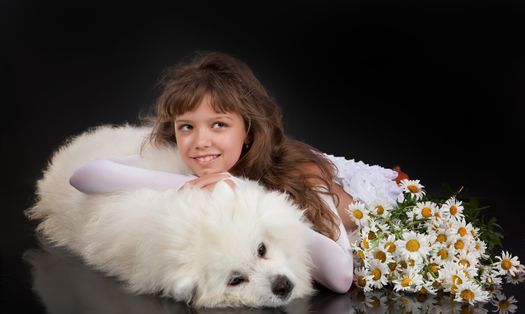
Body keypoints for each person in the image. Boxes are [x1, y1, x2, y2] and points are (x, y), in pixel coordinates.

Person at [69, 52, 402, 294]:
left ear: (248, 130)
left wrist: (242, 190)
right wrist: (188, 184)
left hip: (364, 201)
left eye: (219, 125)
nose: (200, 142)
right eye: (187, 127)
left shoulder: (300, 173)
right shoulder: (194, 167)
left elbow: (341, 277)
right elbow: (84, 175)